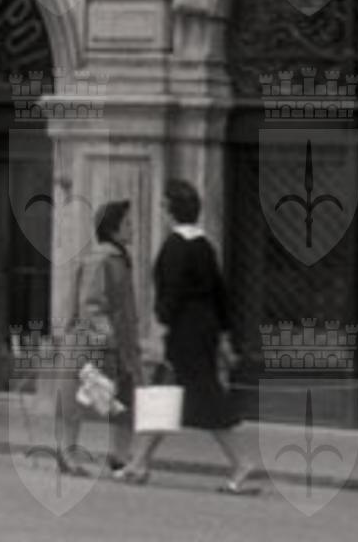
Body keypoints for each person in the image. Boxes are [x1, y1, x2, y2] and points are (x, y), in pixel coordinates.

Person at [120, 179, 257, 493]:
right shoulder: (205, 246)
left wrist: (160, 330)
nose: (161, 210)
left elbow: (170, 296)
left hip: (184, 331)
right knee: (166, 395)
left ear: (170, 210)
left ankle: (243, 463)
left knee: (205, 398)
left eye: (163, 205)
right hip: (204, 329)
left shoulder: (174, 247)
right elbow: (221, 294)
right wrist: (224, 336)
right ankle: (139, 463)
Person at [58, 199, 140, 478]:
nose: (132, 228)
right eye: (127, 223)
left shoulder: (117, 258)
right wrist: (109, 336)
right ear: (113, 229)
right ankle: (69, 454)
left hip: (116, 343)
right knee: (79, 398)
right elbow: (91, 304)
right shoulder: (101, 259)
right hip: (96, 344)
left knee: (124, 398)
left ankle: (119, 456)